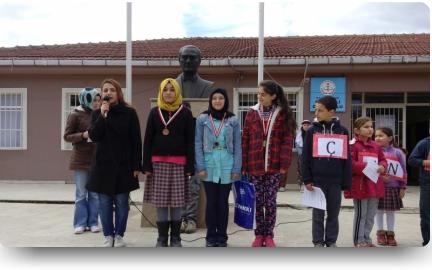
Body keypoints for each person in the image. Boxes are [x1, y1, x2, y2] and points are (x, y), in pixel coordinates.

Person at [86, 78, 142, 247]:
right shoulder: (97, 113)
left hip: (123, 166)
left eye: (112, 90)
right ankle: (108, 235)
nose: (108, 93)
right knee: (104, 204)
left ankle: (119, 235)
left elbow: (136, 141)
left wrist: (136, 165)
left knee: (121, 203)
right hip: (103, 166)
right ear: (101, 95)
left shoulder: (129, 113)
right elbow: (94, 136)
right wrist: (102, 116)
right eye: (105, 90)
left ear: (118, 93)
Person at [242, 80, 296, 247]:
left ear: (273, 96)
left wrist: (284, 165)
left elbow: (287, 141)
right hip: (255, 165)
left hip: (274, 166)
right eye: (259, 94)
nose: (260, 97)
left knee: (270, 202)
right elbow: (245, 139)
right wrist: (245, 165)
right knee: (258, 202)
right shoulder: (251, 113)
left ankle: (269, 234)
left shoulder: (282, 114)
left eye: (263, 94)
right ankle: (259, 234)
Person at [143, 78, 195, 247]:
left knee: (177, 203)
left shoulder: (185, 113)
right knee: (161, 202)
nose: (169, 93)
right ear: (161, 92)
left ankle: (176, 238)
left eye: (172, 90)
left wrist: (190, 165)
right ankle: (162, 238)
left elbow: (190, 141)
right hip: (157, 165)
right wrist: (147, 165)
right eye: (165, 90)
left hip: (179, 165)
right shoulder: (154, 112)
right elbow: (148, 140)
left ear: (178, 92)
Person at [302, 95, 352, 248]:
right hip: (317, 181)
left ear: (332, 111)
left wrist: (345, 181)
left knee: (333, 213)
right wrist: (307, 179)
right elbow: (305, 157)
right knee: (318, 214)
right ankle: (318, 241)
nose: (316, 114)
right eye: (315, 110)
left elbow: (346, 158)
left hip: (335, 181)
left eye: (320, 110)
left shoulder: (342, 131)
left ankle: (331, 241)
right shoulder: (312, 131)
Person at [195, 88, 241, 247]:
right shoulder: (202, 119)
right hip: (209, 164)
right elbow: (197, 143)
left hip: (227, 164)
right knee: (211, 202)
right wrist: (200, 165)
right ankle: (210, 236)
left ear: (225, 100)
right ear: (211, 101)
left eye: (221, 98)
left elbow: (237, 145)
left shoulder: (233, 120)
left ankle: (222, 236)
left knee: (222, 202)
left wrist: (237, 168)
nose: (217, 101)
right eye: (214, 98)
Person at [176, 45, 214, 234]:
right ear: (179, 60)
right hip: (175, 144)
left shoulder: (208, 87)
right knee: (176, 184)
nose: (188, 61)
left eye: (192, 58)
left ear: (200, 61)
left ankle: (190, 218)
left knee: (193, 184)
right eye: (185, 58)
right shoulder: (171, 86)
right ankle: (176, 218)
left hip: (198, 144)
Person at [63, 87, 101, 234]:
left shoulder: (100, 115)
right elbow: (67, 136)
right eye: (94, 100)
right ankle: (79, 223)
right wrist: (83, 135)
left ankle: (93, 222)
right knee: (81, 193)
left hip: (96, 159)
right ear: (86, 99)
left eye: (99, 100)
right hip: (80, 159)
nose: (97, 103)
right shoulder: (75, 114)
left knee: (94, 193)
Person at [345, 116, 386, 248]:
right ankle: (358, 240)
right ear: (357, 130)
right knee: (361, 215)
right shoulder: (352, 146)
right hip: (360, 186)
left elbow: (383, 159)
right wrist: (367, 167)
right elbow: (350, 164)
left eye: (371, 126)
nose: (370, 129)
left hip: (375, 185)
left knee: (370, 215)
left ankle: (367, 239)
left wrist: (382, 166)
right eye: (366, 127)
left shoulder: (376, 146)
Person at [374, 127, 407, 246]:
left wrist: (403, 187)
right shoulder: (374, 151)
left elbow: (403, 170)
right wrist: (380, 178)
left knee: (390, 212)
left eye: (381, 135)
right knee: (378, 211)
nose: (377, 138)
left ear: (390, 138)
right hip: (377, 186)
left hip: (393, 187)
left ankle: (391, 234)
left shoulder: (398, 152)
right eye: (376, 135)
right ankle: (380, 234)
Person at [408, 136, 430, 246]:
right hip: (428, 183)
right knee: (427, 213)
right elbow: (412, 160)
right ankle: (427, 240)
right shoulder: (425, 143)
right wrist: (427, 162)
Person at [293, 119, 311, 192]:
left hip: (310, 156)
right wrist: (302, 154)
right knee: (301, 170)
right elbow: (297, 145)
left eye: (307, 125)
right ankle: (302, 185)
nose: (306, 126)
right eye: (304, 125)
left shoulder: (312, 133)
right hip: (302, 156)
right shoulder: (299, 134)